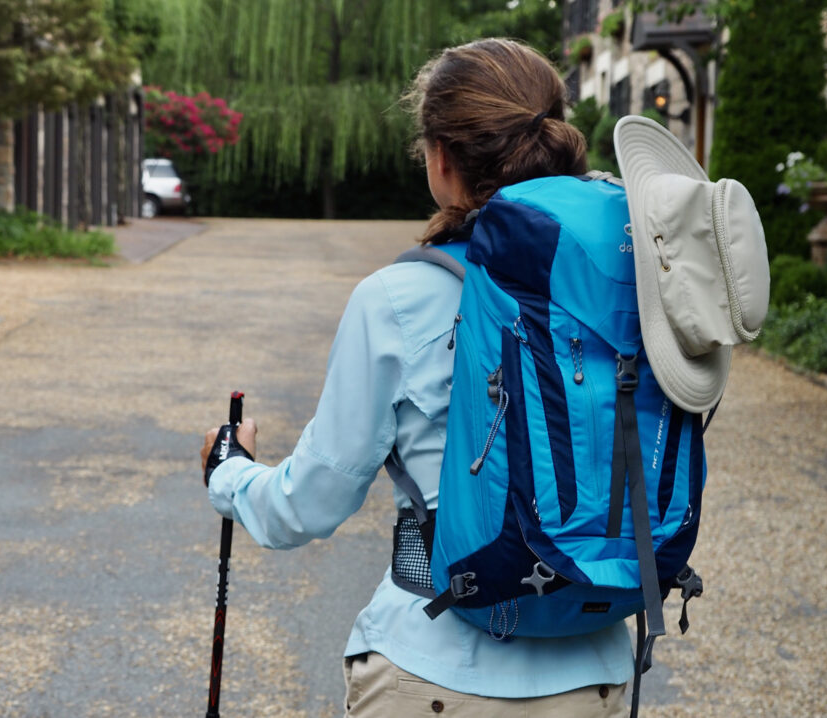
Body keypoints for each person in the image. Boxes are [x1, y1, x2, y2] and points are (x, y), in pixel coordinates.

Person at [200, 38, 635, 717]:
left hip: (436, 673)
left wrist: (229, 472)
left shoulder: (398, 298)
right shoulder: (629, 285)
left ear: (440, 158)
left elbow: (309, 504)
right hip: (594, 669)